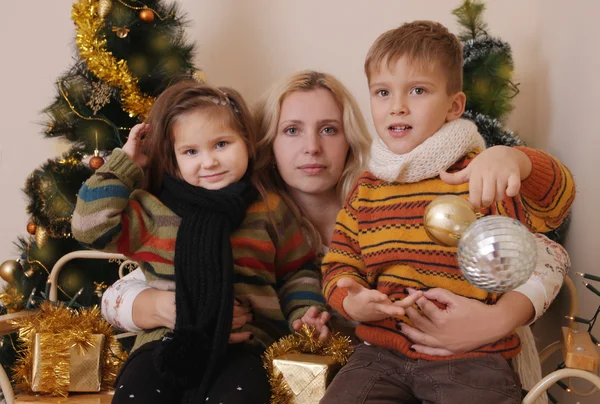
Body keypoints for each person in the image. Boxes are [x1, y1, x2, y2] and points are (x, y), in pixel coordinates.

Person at [101, 71, 570, 396]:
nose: (311, 147)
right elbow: (127, 285)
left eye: (328, 128)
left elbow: (544, 253)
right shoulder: (245, 218)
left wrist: (499, 318)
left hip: (432, 377)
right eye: (291, 130)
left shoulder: (384, 199)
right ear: (263, 142)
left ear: (349, 137)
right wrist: (155, 306)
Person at [320, 21, 575, 404]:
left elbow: (556, 202)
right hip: (381, 354)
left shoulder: (478, 171)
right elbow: (340, 264)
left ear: (454, 105)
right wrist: (352, 300)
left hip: (472, 357)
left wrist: (516, 159)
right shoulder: (367, 189)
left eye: (418, 90)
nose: (397, 106)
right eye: (382, 92)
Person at [71, 80, 329, 404]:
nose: (209, 162)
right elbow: (88, 227)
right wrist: (125, 165)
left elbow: (297, 270)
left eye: (221, 144)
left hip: (246, 345)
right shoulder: (153, 211)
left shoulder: (269, 209)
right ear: (173, 158)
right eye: (191, 152)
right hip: (163, 342)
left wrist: (304, 311)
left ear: (246, 143)